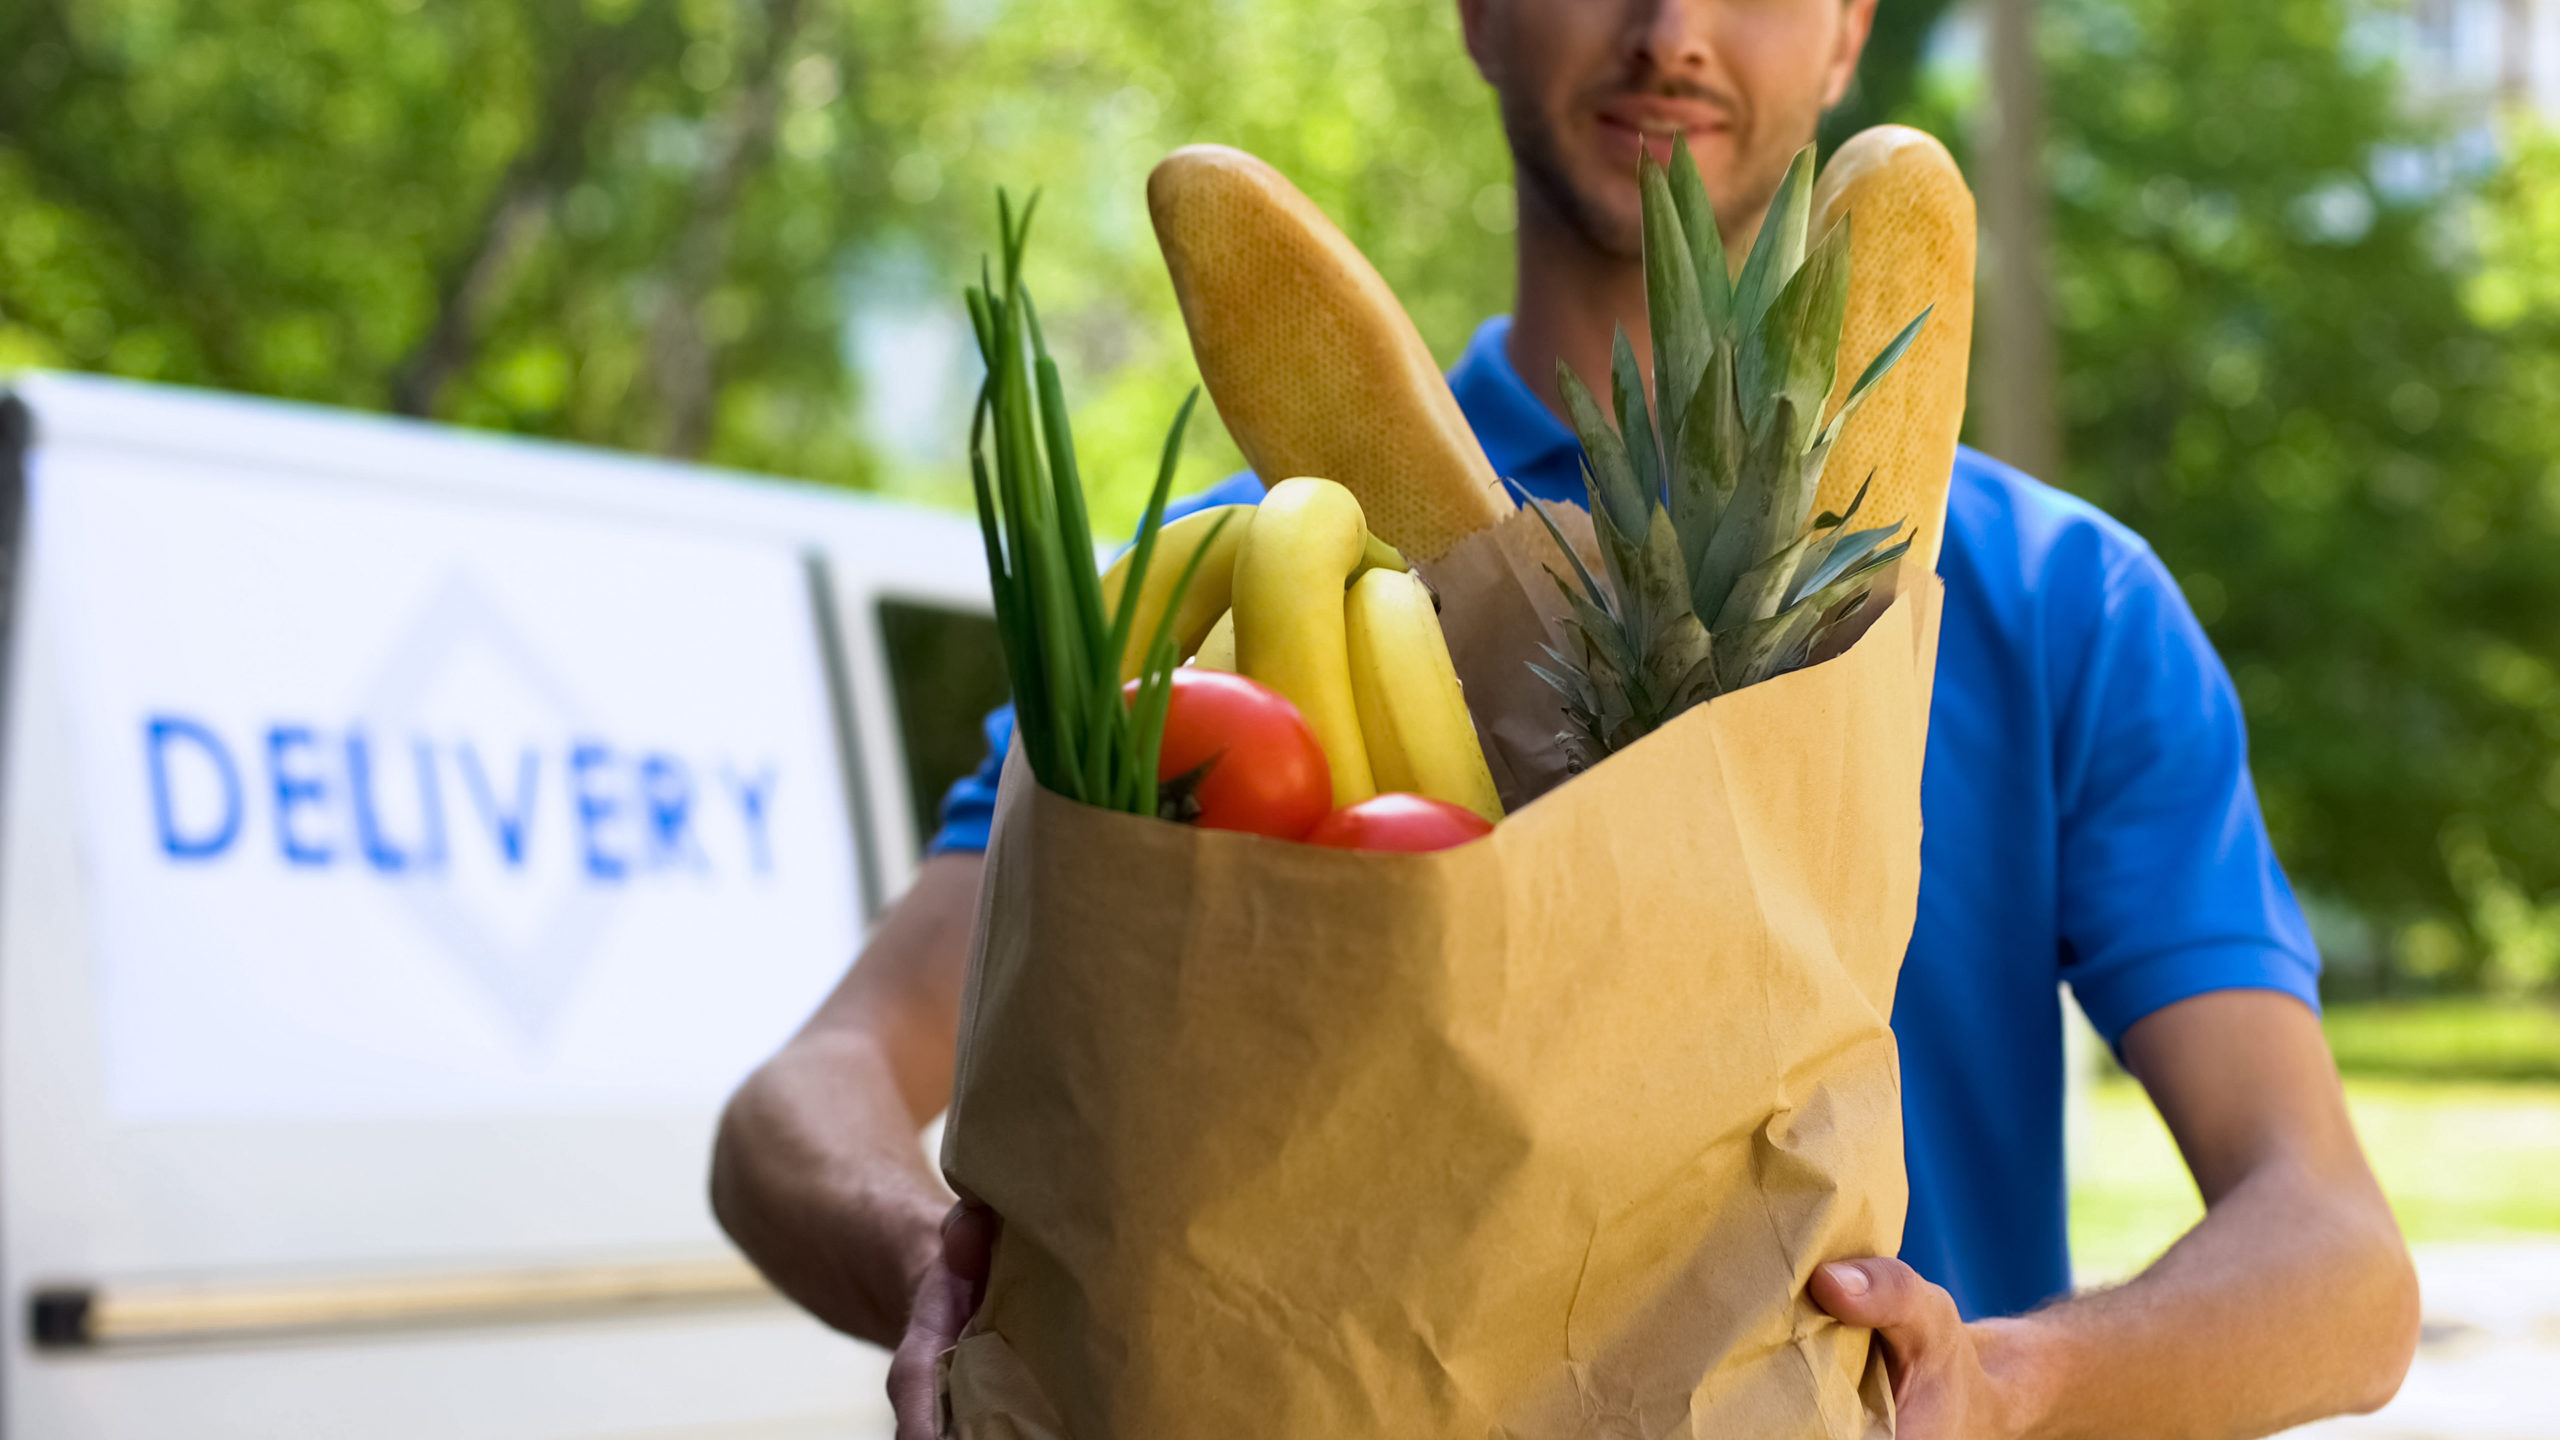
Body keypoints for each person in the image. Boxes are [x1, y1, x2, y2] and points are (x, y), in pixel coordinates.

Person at [711, 0, 2423, 1434]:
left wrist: (2010, 1382)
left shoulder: (2054, 605)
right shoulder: (1233, 583)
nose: (1671, 30)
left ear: (1847, 31)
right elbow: (805, 1099)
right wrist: (932, 1266)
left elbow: (2339, 1262)